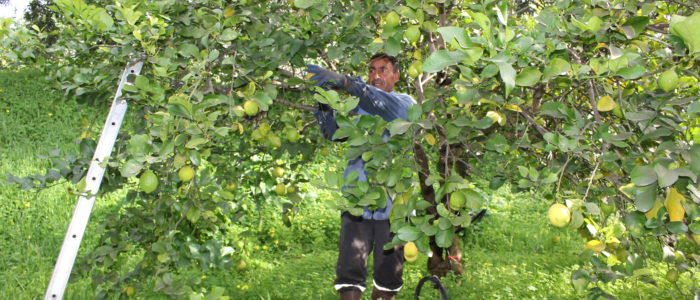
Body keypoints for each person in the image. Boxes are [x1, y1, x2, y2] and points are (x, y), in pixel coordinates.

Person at [306, 53, 416, 300]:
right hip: (357, 202)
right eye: (372, 70)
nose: (376, 75)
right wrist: (322, 101)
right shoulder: (357, 108)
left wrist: (346, 83)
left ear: (396, 76)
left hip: (393, 206)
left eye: (383, 70)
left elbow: (381, 105)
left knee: (388, 277)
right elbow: (333, 133)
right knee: (349, 275)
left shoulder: (405, 103)